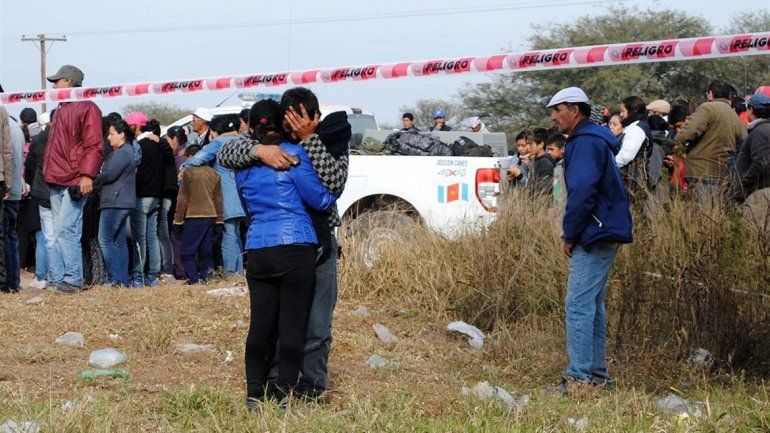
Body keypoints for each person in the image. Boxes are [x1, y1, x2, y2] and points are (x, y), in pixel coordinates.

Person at [218, 87, 350, 400]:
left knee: (316, 325)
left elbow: (334, 184)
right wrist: (259, 151)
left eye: (302, 122)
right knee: (279, 323)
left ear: (316, 118)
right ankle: (278, 383)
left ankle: (311, 386)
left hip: (319, 243)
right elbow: (225, 153)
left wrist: (310, 140)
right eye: (289, 123)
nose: (294, 130)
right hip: (293, 245)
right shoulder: (269, 141)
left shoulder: (332, 137)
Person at [546, 87, 633, 395]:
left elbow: (582, 194)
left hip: (593, 232)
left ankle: (579, 378)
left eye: (558, 110)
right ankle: (597, 376)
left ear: (575, 110)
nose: (554, 116)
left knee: (579, 305)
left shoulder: (583, 143)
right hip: (604, 230)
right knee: (592, 305)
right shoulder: (596, 139)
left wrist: (570, 234)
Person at [42, 65, 103, 294]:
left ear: (69, 82)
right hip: (56, 178)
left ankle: (72, 279)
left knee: (68, 230)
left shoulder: (87, 108)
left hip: (74, 180)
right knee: (59, 232)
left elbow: (94, 145)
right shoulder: (59, 110)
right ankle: (60, 278)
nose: (53, 85)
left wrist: (87, 175)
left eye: (57, 81)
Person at [181, 114, 246, 276]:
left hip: (226, 195)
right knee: (236, 235)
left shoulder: (219, 142)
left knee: (228, 236)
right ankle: (238, 273)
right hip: (242, 195)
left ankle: (231, 275)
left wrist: (184, 168)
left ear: (216, 129)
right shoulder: (242, 140)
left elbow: (197, 159)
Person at [668, 79, 748, 199]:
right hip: (722, 172)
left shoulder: (707, 108)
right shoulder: (733, 114)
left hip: (700, 172)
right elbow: (744, 140)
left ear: (711, 93)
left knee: (699, 213)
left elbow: (686, 134)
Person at [93, 120, 137, 287]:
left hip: (115, 201)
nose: (109, 138)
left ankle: (115, 279)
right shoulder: (127, 151)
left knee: (105, 239)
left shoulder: (122, 153)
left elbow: (109, 175)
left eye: (112, 134)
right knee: (118, 241)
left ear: (122, 134)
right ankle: (121, 279)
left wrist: (93, 180)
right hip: (121, 201)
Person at [173, 145, 223, 285]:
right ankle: (208, 278)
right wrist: (219, 221)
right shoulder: (214, 174)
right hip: (211, 216)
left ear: (191, 157)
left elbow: (182, 199)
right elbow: (218, 199)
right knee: (206, 251)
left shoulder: (188, 173)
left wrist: (178, 221)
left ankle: (194, 279)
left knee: (186, 251)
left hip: (194, 216)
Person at [126, 112, 163, 287]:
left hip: (142, 197)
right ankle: (154, 275)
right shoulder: (156, 144)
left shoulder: (139, 146)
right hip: (156, 196)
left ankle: (138, 276)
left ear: (136, 126)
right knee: (152, 237)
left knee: (139, 239)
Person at [734, 93, 770, 230]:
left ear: (752, 110)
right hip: (761, 191)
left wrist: (744, 184)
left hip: (759, 194)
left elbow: (761, 162)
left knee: (756, 235)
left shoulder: (760, 132)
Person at [3, 116, 24, 292]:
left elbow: (8, 158)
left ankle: (8, 282)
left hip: (7, 189)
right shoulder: (15, 125)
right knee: (11, 237)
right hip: (15, 187)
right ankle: (13, 282)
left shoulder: (6, 124)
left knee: (5, 238)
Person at [166, 126, 188, 280]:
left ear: (174, 139)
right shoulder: (188, 155)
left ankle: (181, 270)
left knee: (177, 236)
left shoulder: (179, 160)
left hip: (180, 204)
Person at [526, 128, 555, 196]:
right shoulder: (536, 160)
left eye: (530, 144)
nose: (527, 147)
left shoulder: (545, 162)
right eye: (527, 144)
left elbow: (545, 190)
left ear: (541, 144)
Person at [546, 133, 567, 212]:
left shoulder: (561, 166)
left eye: (552, 149)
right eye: (548, 149)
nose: (549, 152)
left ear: (562, 149)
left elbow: (561, 195)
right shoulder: (558, 165)